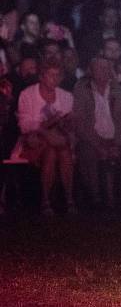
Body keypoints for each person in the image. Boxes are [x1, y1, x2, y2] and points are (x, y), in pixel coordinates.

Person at [14, 60, 76, 215]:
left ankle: (66, 198)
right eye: (51, 75)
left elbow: (68, 125)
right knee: (51, 150)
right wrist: (46, 125)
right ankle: (48, 199)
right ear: (41, 76)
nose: (55, 79)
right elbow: (24, 124)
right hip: (33, 141)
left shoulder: (66, 96)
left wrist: (66, 123)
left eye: (58, 75)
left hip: (59, 140)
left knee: (61, 151)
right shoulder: (27, 94)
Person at [72, 57, 121, 207]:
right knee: (87, 153)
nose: (104, 71)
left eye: (106, 68)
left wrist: (117, 143)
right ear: (91, 71)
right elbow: (79, 121)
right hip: (92, 138)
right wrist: (97, 143)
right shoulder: (81, 91)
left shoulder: (120, 92)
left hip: (116, 138)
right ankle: (95, 195)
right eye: (99, 68)